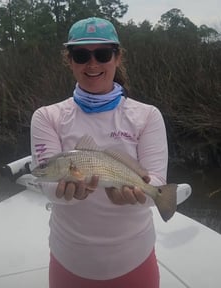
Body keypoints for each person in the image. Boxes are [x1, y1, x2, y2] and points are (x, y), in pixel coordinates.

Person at [30, 17, 168, 288]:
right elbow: (47, 181)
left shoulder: (147, 116)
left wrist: (140, 195)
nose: (92, 64)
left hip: (135, 260)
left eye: (103, 54)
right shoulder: (47, 116)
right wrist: (67, 195)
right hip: (70, 260)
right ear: (69, 61)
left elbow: (157, 184)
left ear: (117, 58)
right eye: (81, 55)